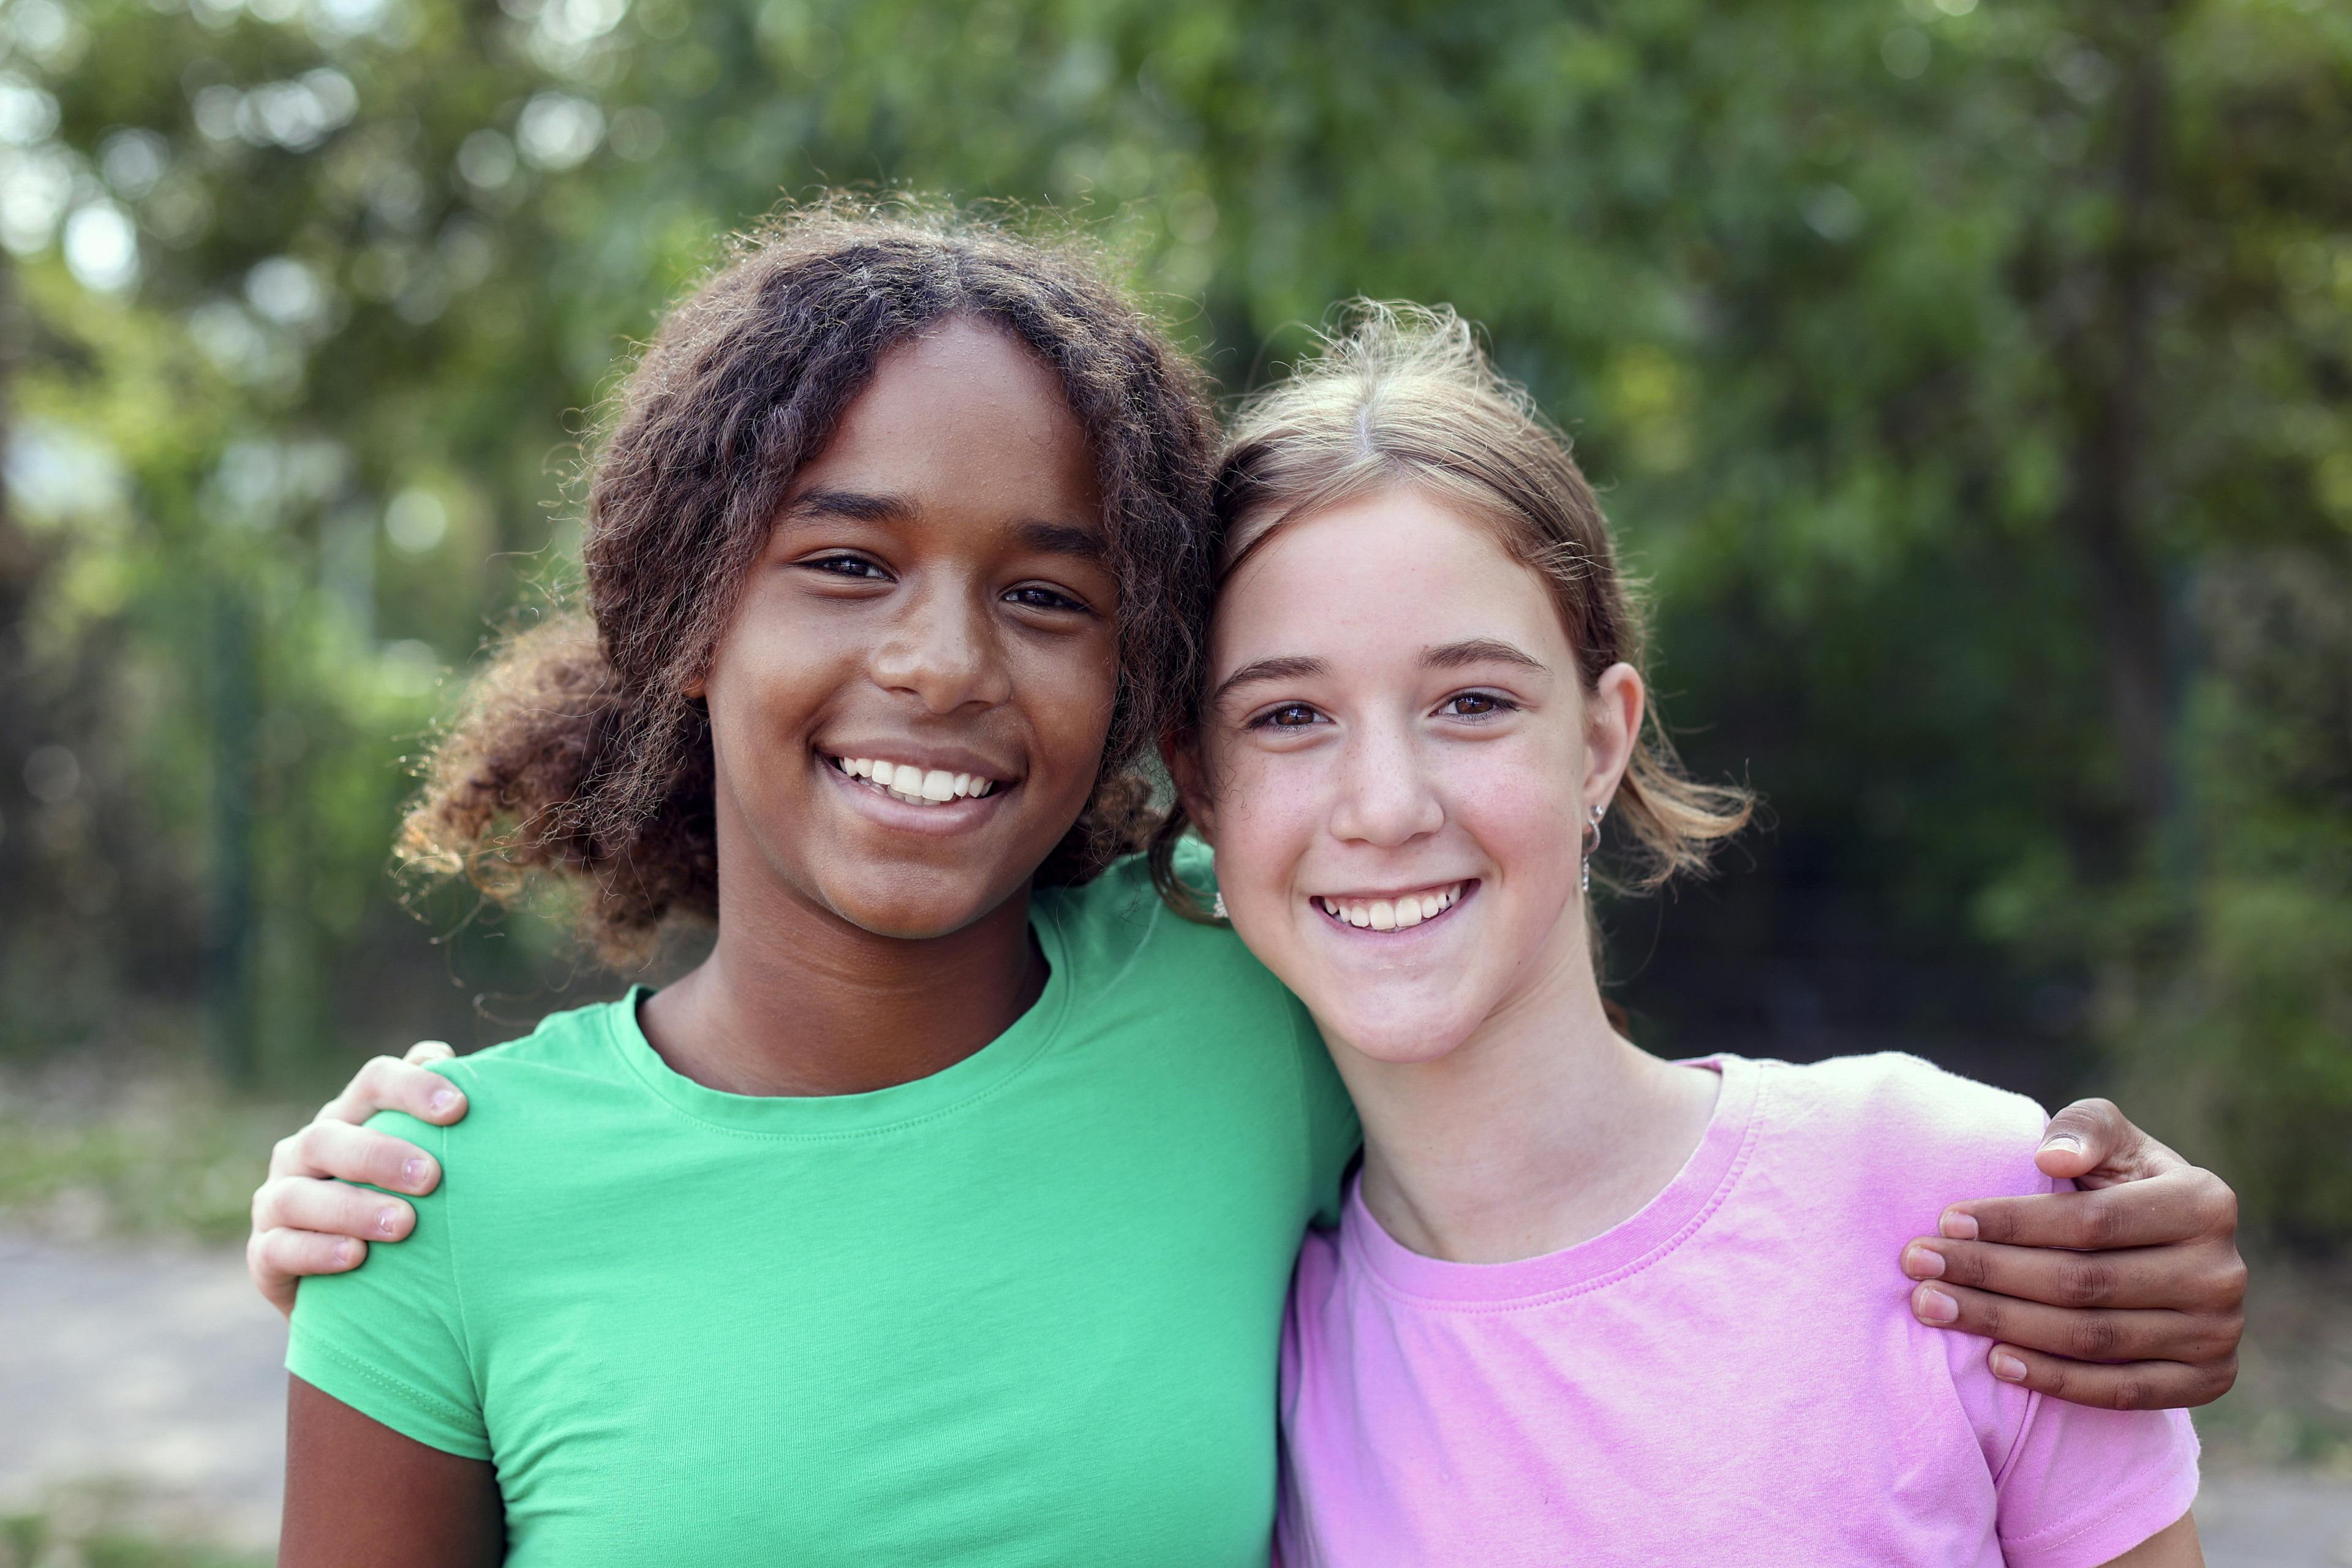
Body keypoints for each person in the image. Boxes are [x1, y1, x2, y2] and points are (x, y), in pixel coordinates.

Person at [252, 208, 2242, 1564]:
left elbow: (1604, 1136)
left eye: (1047, 594)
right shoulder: (442, 1211)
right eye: (846, 564)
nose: (943, 664)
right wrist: (341, 1188)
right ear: (685, 616)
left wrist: (2119, 1222)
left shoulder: (1241, 1015)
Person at [1165, 304, 2207, 1565]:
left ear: (1600, 743)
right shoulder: (1247, 1360)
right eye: (1287, 716)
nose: (1386, 804)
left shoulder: (1951, 1197)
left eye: (1474, 701)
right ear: (1202, 786)